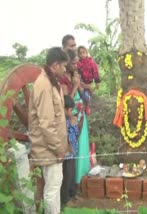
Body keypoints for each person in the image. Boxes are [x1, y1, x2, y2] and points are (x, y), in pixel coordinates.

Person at [29, 47, 69, 214]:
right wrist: (59, 149)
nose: (65, 69)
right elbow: (47, 123)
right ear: (55, 65)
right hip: (49, 149)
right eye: (63, 66)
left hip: (52, 148)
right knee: (52, 190)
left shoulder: (50, 82)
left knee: (54, 187)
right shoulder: (44, 85)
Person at [59, 49, 91, 187]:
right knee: (72, 151)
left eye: (77, 63)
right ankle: (74, 183)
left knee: (82, 146)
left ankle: (82, 177)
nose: (76, 66)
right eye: (73, 63)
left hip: (80, 116)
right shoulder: (62, 80)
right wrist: (76, 86)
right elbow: (66, 102)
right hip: (70, 118)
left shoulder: (75, 75)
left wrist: (81, 87)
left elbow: (87, 97)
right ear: (66, 64)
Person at [61, 95, 79, 204]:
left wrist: (73, 125)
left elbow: (76, 134)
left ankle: (72, 194)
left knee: (72, 173)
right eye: (70, 110)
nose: (71, 112)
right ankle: (65, 199)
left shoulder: (69, 120)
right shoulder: (62, 122)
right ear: (65, 109)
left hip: (72, 154)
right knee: (66, 176)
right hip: (66, 153)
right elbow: (66, 136)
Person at [77, 46, 101, 115]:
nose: (82, 55)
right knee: (82, 95)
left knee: (87, 96)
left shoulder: (91, 63)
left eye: (83, 52)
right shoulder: (78, 63)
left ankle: (87, 106)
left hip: (89, 82)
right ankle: (82, 106)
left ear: (86, 53)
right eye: (80, 53)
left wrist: (97, 82)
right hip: (81, 82)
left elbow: (95, 72)